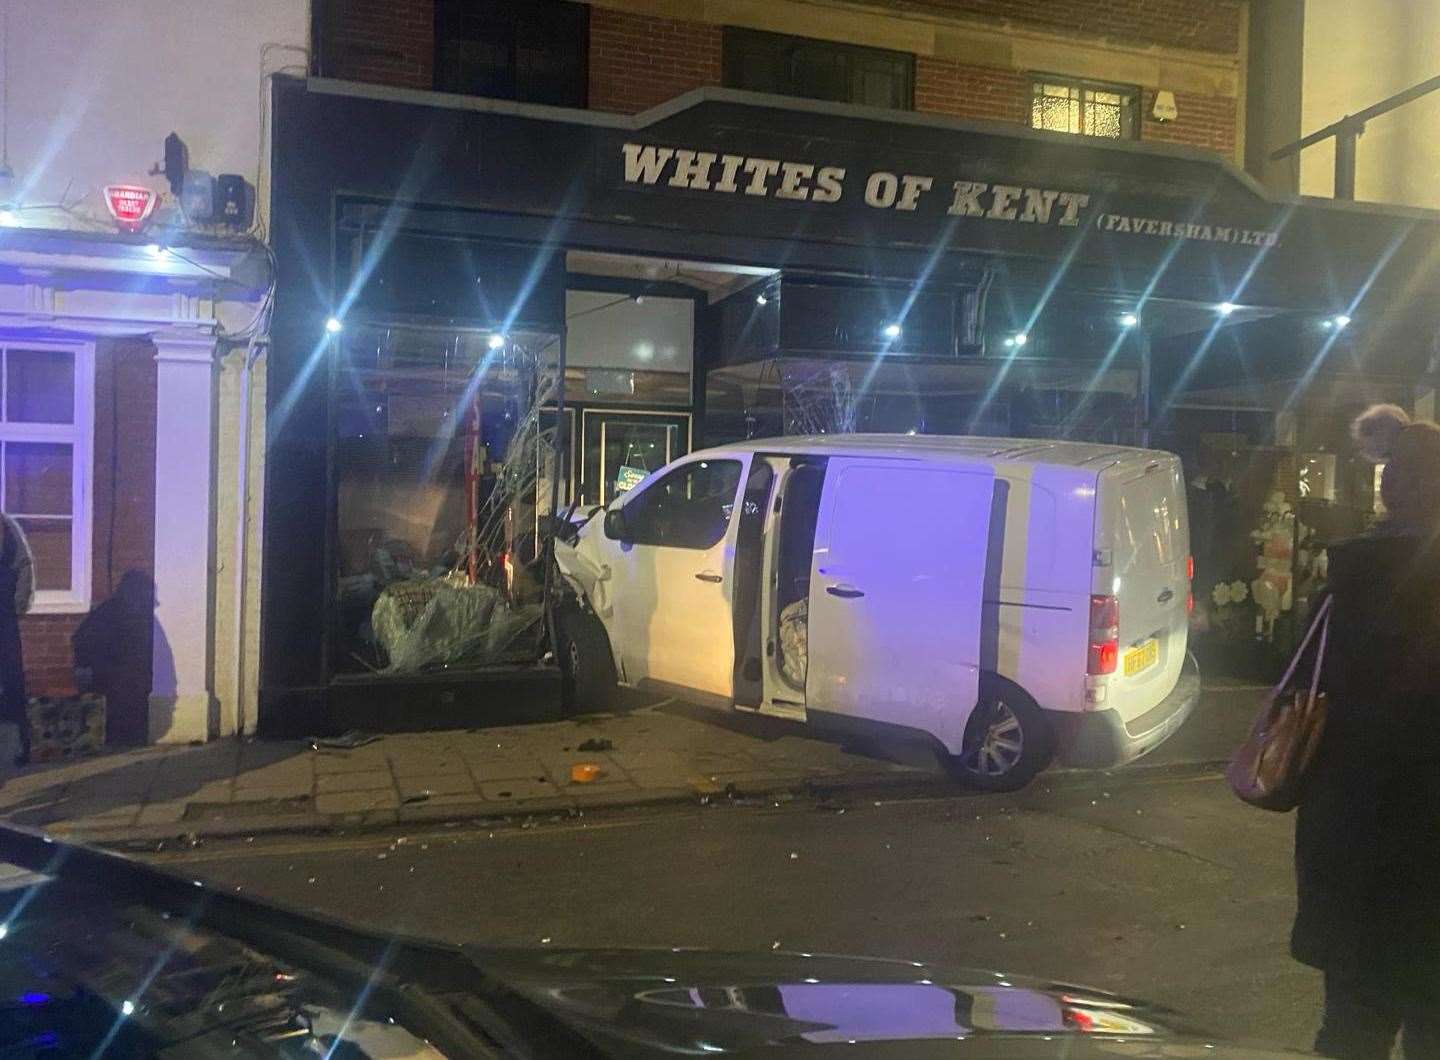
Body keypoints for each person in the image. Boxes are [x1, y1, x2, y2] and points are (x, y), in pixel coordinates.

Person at [1292, 404, 1440, 1059]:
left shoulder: (1343, 587)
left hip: (1352, 845)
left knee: (1351, 1031)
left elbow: (1299, 697)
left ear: (1386, 490)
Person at [0, 513, 34, 758]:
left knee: (11, 683)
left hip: (4, 617)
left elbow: (23, 564)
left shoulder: (7, 527)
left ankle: (15, 751)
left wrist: (18, 604)